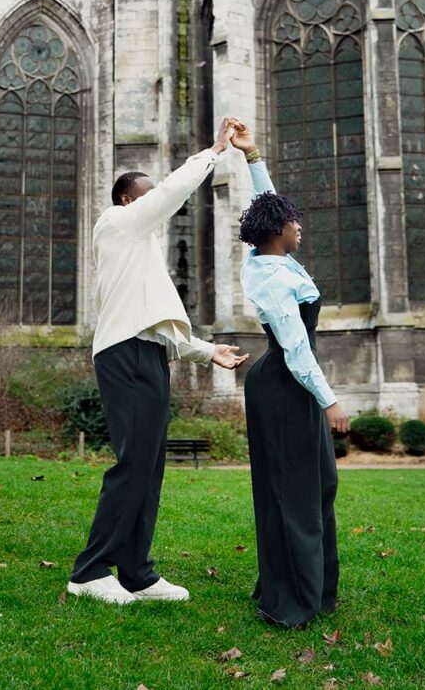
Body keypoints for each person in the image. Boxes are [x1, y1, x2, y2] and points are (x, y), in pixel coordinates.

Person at [68, 116, 248, 606]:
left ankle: (137, 573)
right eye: (146, 194)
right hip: (122, 355)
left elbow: (159, 323)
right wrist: (214, 152)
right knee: (132, 465)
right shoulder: (116, 225)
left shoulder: (141, 250)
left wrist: (209, 351)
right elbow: (171, 192)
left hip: (146, 354)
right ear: (128, 199)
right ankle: (88, 572)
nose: (156, 202)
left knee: (149, 468)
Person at [230, 122, 350, 629]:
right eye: (293, 223)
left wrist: (252, 155)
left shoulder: (275, 254)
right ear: (277, 231)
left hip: (289, 384)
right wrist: (330, 401)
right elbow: (296, 348)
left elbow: (269, 203)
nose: (299, 226)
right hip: (283, 386)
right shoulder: (270, 276)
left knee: (318, 484)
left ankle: (315, 586)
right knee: (292, 489)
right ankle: (289, 598)